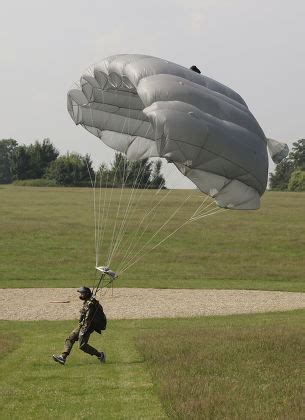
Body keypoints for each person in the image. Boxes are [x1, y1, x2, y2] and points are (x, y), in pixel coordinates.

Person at [52, 286, 107, 365]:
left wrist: (85, 329)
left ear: (86, 294)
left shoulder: (91, 304)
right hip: (82, 325)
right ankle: (63, 357)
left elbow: (88, 318)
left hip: (87, 327)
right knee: (70, 338)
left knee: (82, 346)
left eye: (82, 293)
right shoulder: (88, 301)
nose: (80, 295)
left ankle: (100, 355)